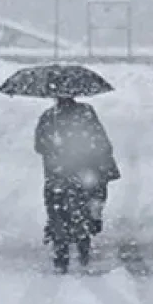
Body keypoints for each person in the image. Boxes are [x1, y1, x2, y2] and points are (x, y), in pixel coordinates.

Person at [34, 96, 119, 273]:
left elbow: (39, 146)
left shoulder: (49, 117)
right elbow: (100, 140)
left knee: (57, 210)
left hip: (58, 174)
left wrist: (56, 151)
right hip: (83, 171)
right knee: (84, 207)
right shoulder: (86, 113)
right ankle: (83, 244)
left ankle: (60, 251)